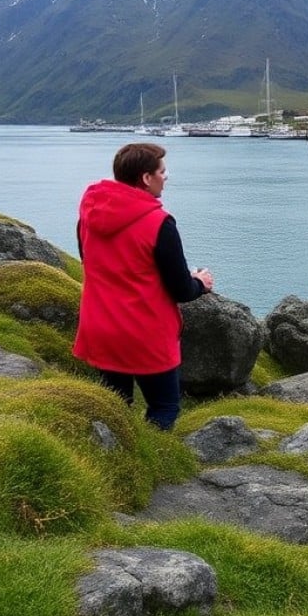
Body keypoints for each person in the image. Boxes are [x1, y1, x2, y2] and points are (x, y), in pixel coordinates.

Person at [73, 142, 213, 430]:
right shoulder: (159, 223)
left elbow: (92, 261)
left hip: (100, 327)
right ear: (146, 178)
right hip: (144, 333)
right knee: (164, 407)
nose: (166, 177)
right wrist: (200, 283)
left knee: (115, 406)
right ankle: (154, 454)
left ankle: (116, 451)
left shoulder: (89, 214)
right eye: (162, 171)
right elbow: (181, 290)